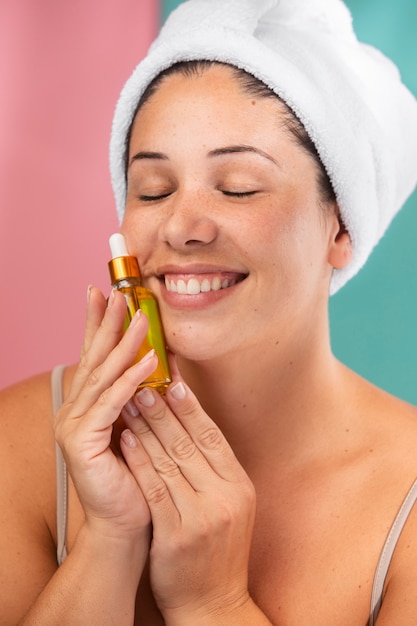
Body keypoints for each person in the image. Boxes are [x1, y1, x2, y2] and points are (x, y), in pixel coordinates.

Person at [1, 0, 417, 623]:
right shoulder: (19, 445)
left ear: (340, 228)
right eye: (153, 190)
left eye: (239, 186)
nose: (182, 226)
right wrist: (108, 544)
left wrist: (212, 601)